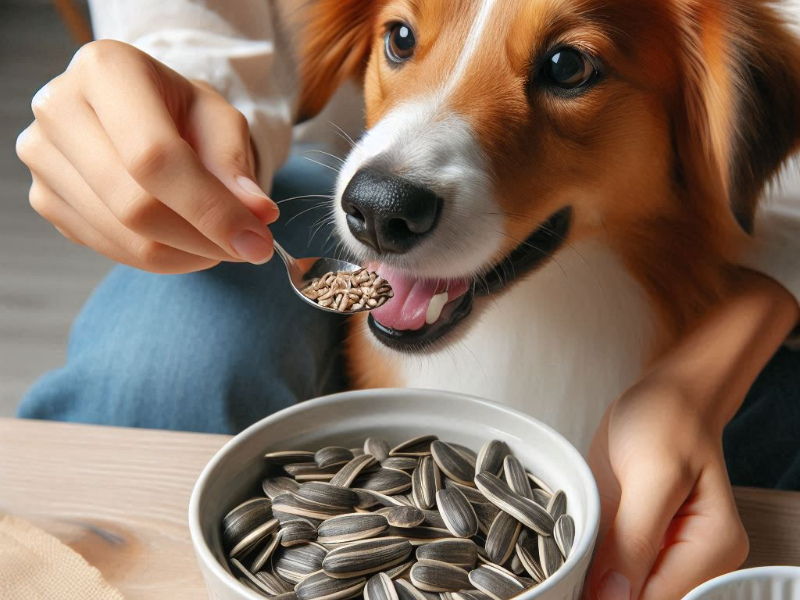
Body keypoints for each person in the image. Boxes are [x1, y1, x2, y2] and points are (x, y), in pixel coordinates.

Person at [14, 1, 800, 598]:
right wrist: (170, 103)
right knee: (158, 370)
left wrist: (707, 367)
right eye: (401, 37)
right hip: (294, 168)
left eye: (569, 68)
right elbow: (195, 34)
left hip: (755, 260)